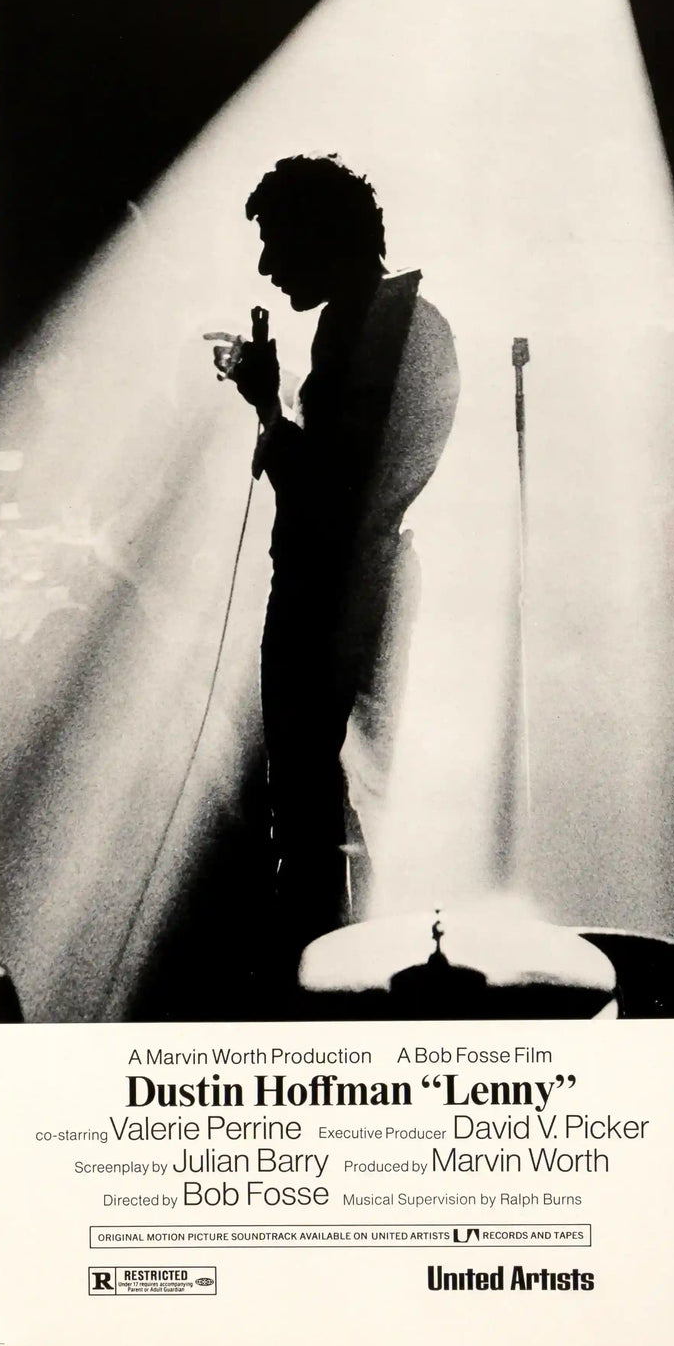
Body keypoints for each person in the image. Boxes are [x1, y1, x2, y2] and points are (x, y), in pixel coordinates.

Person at [216, 154, 459, 977]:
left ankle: (324, 983)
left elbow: (333, 494)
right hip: (373, 585)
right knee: (357, 803)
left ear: (324, 234)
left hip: (332, 600)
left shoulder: (368, 328)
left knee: (309, 817)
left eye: (277, 241)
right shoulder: (407, 322)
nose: (267, 266)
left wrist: (267, 407)